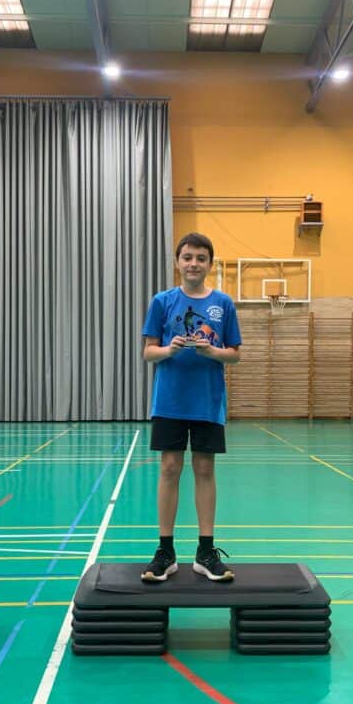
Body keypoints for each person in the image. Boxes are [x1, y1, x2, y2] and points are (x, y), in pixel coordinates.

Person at [141, 232, 242, 583]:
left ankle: (205, 552)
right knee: (170, 467)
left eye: (201, 258)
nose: (193, 263)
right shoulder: (162, 301)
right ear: (177, 262)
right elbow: (148, 351)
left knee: (204, 468)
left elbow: (235, 354)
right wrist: (169, 349)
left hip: (207, 401)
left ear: (209, 264)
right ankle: (165, 552)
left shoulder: (223, 304)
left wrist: (212, 352)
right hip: (170, 400)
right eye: (187, 257)